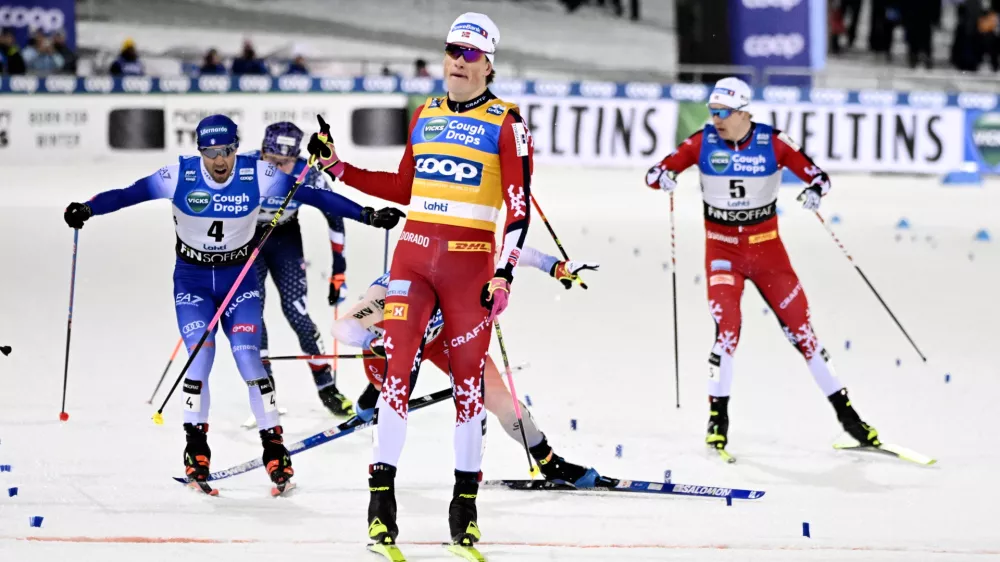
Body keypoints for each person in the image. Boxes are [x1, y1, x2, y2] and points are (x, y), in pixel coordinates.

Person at [63, 115, 402, 494]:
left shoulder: (257, 173)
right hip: (192, 280)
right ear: (200, 152)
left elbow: (315, 195)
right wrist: (88, 208)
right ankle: (196, 445)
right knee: (200, 356)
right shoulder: (178, 176)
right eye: (210, 153)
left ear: (236, 148)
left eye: (225, 151)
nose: (219, 161)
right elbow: (127, 194)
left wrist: (367, 215)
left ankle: (274, 445)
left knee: (248, 357)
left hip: (239, 279)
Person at [307, 11, 532, 553]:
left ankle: (465, 510)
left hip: (469, 268)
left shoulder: (509, 121)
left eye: (470, 53)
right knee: (395, 375)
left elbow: (518, 209)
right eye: (453, 49)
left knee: (468, 391)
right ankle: (380, 505)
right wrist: (339, 169)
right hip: (413, 260)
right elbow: (405, 185)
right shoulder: (427, 112)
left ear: (488, 62)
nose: (458, 59)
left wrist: (503, 275)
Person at [644, 77, 880, 462]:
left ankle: (851, 421)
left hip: (768, 255)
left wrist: (814, 191)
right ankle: (717, 422)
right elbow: (653, 175)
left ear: (742, 112)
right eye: (712, 112)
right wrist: (665, 177)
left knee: (803, 333)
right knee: (727, 331)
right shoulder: (702, 142)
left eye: (723, 112)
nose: (716, 119)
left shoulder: (773, 141)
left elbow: (819, 176)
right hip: (722, 254)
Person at [332, 248, 600, 484]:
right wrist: (371, 340)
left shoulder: (461, 261)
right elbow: (342, 326)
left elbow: (510, 252)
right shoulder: (387, 292)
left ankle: (549, 461)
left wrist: (555, 267)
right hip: (396, 345)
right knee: (383, 393)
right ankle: (369, 400)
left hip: (446, 339)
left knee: (506, 405)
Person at [244, 122, 354, 419]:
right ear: (262, 150)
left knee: (297, 313)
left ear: (296, 157)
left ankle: (327, 388)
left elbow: (335, 218)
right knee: (253, 316)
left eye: (284, 162)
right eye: (270, 159)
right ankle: (264, 392)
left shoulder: (308, 175)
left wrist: (338, 272)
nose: (276, 167)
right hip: (247, 240)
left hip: (284, 239)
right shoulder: (242, 167)